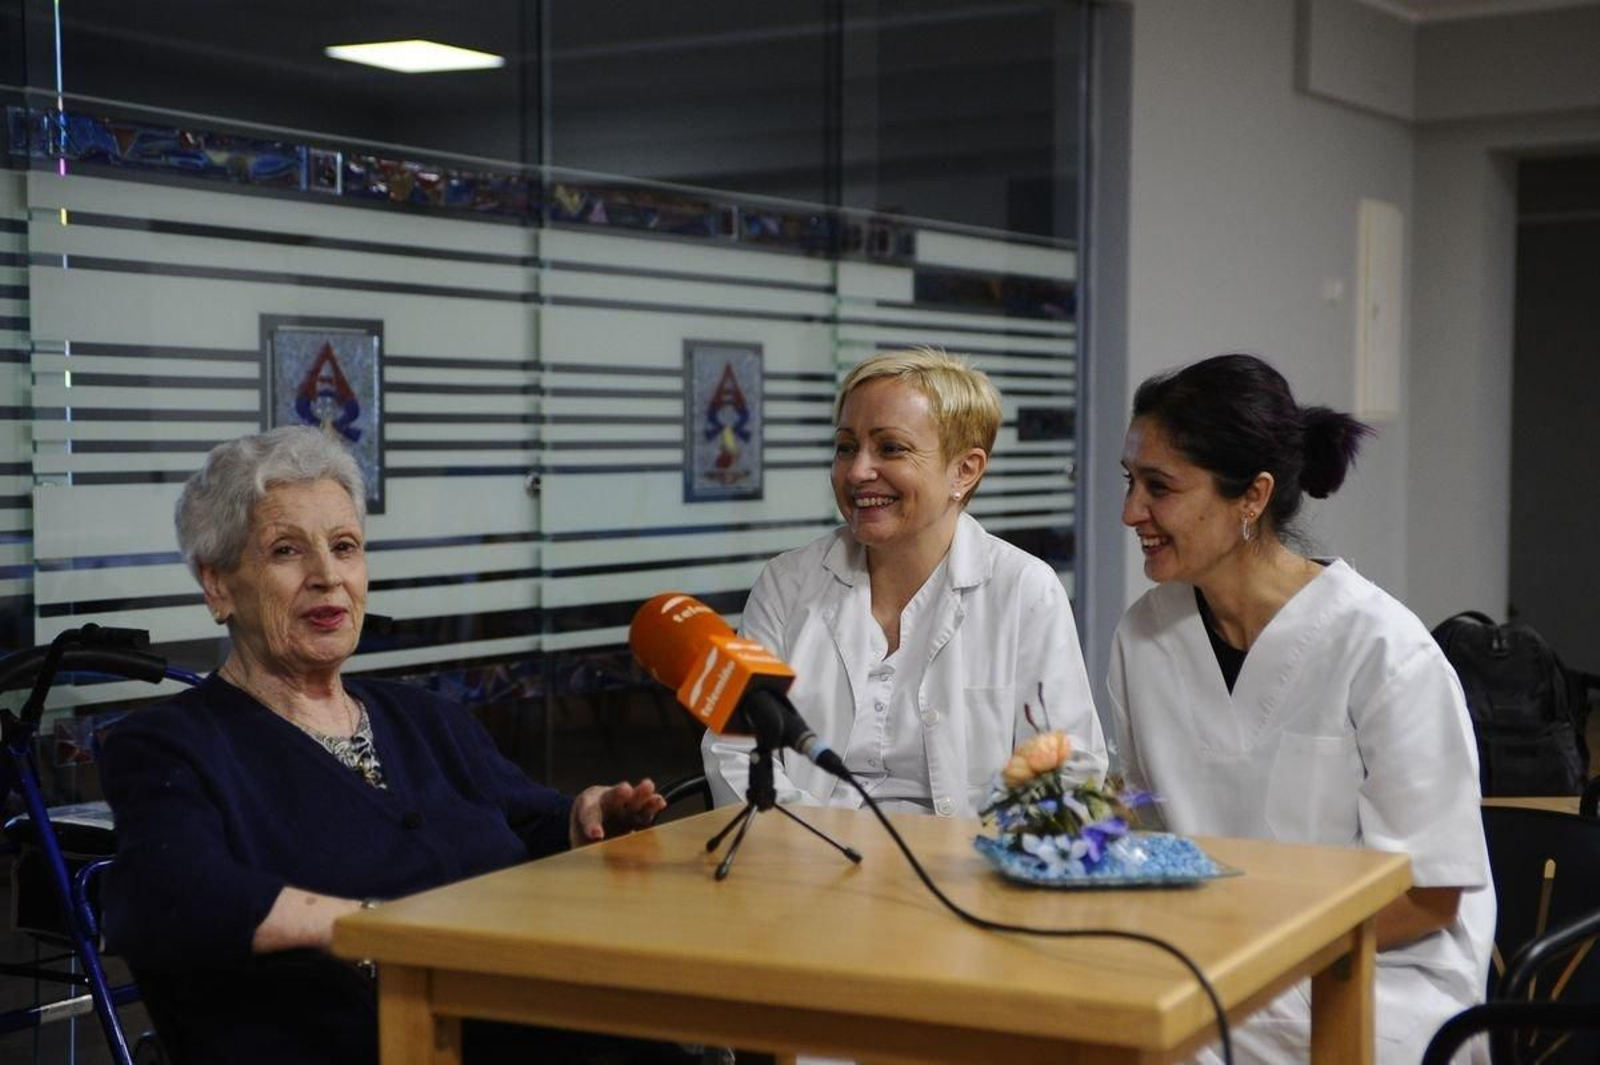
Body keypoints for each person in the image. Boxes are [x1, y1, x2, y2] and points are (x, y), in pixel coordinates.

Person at [99, 426, 678, 1065]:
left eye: (345, 547)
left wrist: (580, 818)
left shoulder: (425, 718)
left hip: (528, 1023)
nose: (327, 577)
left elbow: (528, 818)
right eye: (287, 551)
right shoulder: (170, 745)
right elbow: (166, 893)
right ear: (217, 586)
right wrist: (375, 927)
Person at [1107, 354, 1493, 1065]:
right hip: (1206, 959)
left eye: (1158, 486)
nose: (1132, 511)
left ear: (1251, 496)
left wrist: (1253, 945)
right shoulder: (1145, 635)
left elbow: (1433, 894)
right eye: (1130, 481)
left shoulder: (1382, 648)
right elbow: (1144, 825)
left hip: (1381, 973)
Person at [703, 347, 1106, 817]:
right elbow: (734, 749)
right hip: (808, 865)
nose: (857, 472)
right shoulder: (788, 583)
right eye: (846, 447)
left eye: (890, 448)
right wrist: (816, 851)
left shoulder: (1024, 590)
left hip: (968, 876)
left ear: (965, 470)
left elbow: (1068, 771)